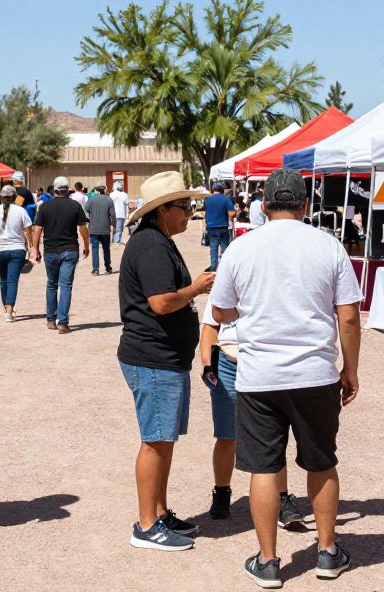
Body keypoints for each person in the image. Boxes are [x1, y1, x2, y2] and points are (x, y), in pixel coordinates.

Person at [210, 169, 362, 587]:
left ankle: (269, 560)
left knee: (263, 467)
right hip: (314, 373)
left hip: (259, 374)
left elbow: (220, 311)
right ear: (305, 205)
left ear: (263, 205)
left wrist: (252, 308)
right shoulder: (328, 245)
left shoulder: (241, 248)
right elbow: (348, 316)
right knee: (322, 462)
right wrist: (349, 368)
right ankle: (328, 552)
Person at [117, 171, 215, 552]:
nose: (189, 212)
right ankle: (146, 525)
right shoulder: (153, 246)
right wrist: (197, 288)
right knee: (155, 441)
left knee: (164, 439)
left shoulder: (156, 241)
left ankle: (157, 512)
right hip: (153, 357)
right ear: (162, 211)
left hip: (164, 358)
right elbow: (160, 302)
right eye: (184, 206)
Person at [199, 296, 306, 528]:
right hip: (228, 363)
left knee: (273, 434)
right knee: (227, 436)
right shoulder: (225, 282)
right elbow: (210, 327)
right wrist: (208, 364)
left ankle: (281, 497)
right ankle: (222, 491)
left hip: (263, 362)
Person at [32, 176, 89, 334]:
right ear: (67, 189)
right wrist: (86, 245)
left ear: (55, 190)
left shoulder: (45, 206)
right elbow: (83, 228)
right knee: (66, 286)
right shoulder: (75, 205)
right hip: (69, 250)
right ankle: (63, 323)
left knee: (51, 284)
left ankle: (51, 320)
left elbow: (37, 229)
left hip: (50, 250)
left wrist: (35, 248)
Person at [0, 184, 33, 321]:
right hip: (17, 249)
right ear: (15, 197)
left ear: (1, 198)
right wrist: (29, 245)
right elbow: (28, 231)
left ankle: (7, 308)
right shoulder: (21, 211)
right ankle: (9, 310)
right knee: (12, 281)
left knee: (3, 280)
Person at [204, 183, 236, 271]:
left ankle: (213, 270)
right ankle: (225, 270)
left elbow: (206, 213)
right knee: (225, 249)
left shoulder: (207, 199)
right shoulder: (226, 198)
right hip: (223, 227)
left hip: (211, 227)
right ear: (222, 190)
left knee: (213, 249)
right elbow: (231, 213)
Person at [85, 185, 116, 275]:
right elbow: (113, 215)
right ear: (104, 190)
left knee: (95, 249)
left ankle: (95, 269)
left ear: (97, 191)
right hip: (105, 229)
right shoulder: (109, 200)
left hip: (93, 228)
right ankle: (108, 267)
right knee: (106, 249)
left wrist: (91, 214)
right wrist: (114, 226)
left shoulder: (91, 200)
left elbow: (85, 209)